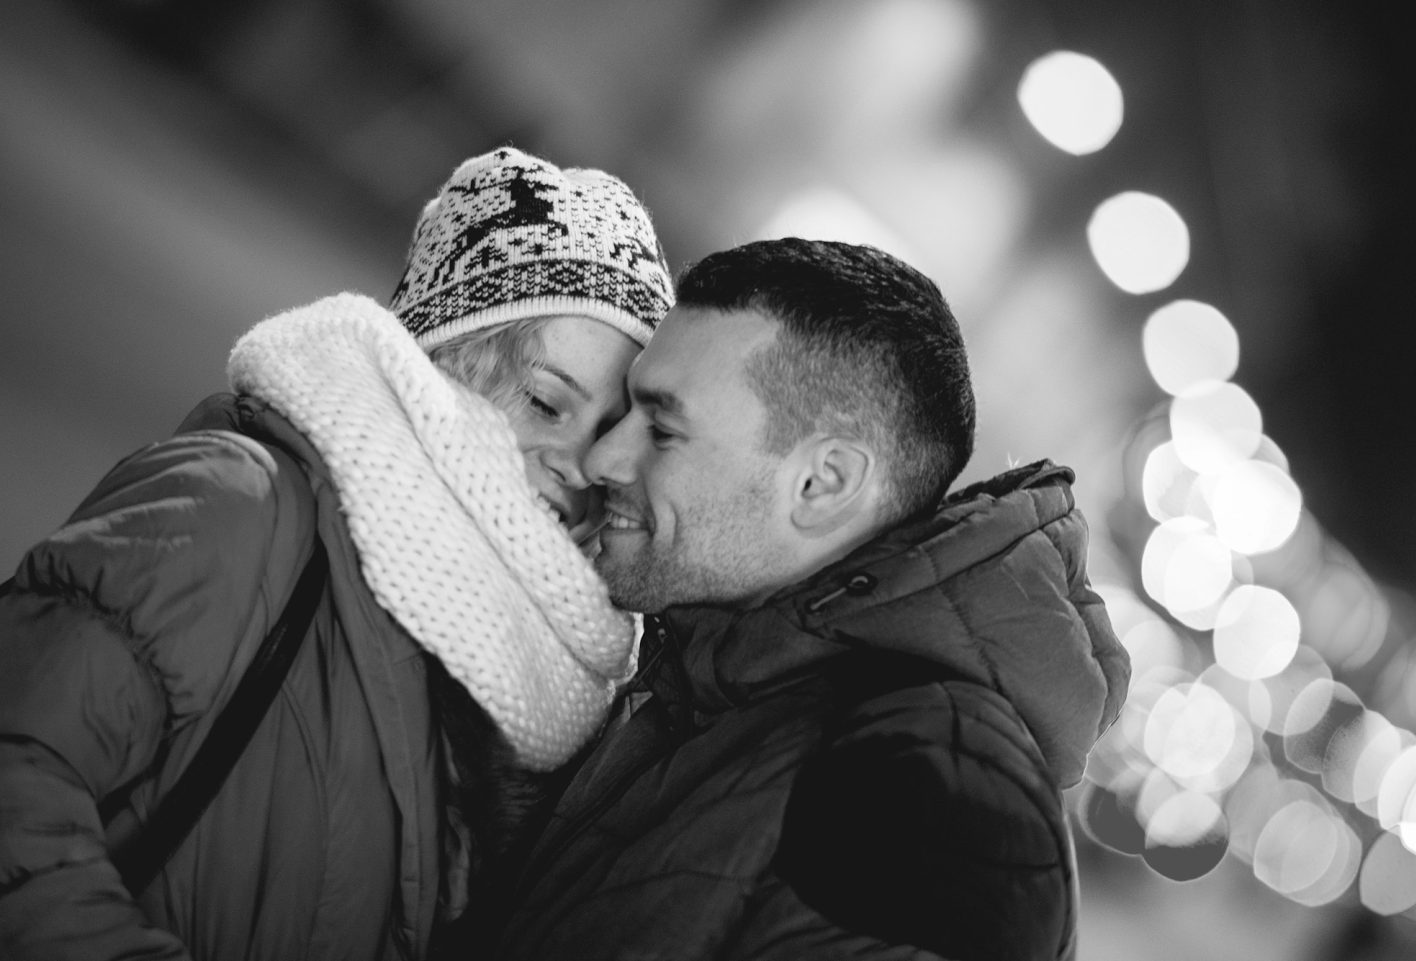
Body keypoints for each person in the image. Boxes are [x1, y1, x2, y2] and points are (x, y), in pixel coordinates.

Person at [0, 146, 673, 961]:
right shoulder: (238, 505)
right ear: (441, 362)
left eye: (608, 428)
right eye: (545, 401)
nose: (579, 463)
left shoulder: (544, 687)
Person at [494, 237, 1132, 961]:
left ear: (822, 484)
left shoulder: (933, 807)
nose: (602, 458)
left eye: (662, 429)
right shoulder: (706, 680)